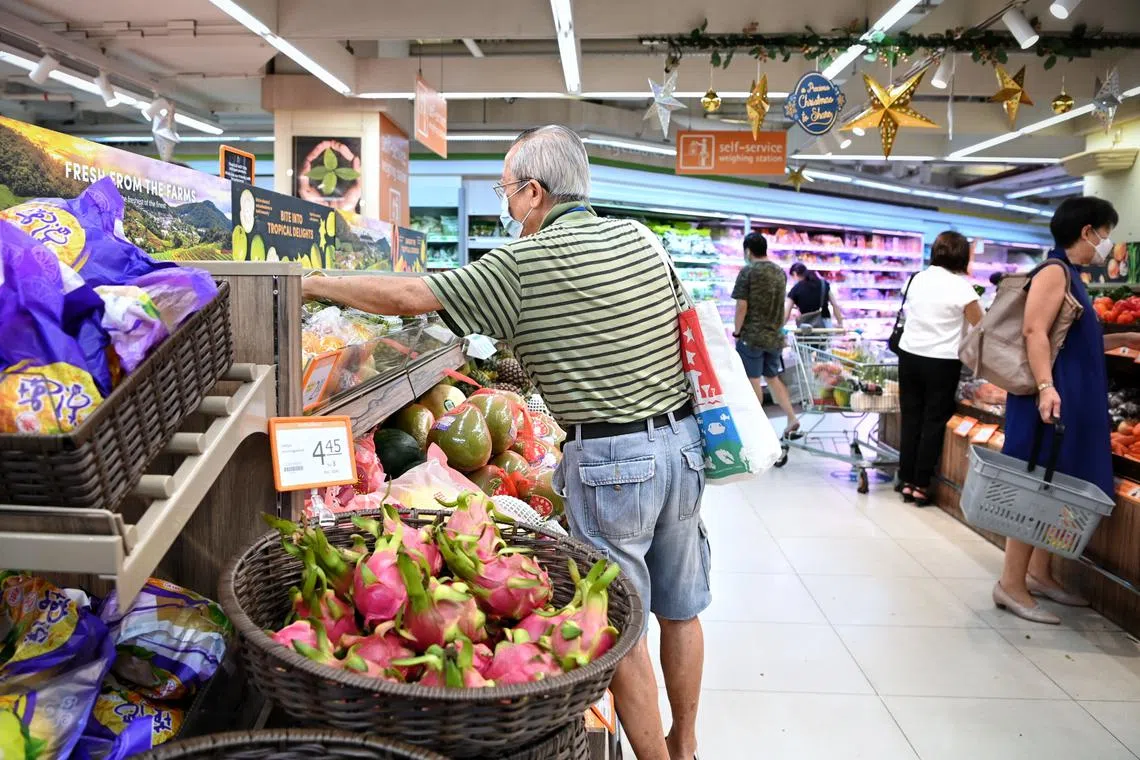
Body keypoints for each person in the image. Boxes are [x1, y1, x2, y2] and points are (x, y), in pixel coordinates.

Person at [301, 125, 707, 760]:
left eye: (505, 191)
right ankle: (684, 746)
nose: (505, 204)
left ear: (534, 193)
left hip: (612, 462)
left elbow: (413, 297)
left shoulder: (525, 262)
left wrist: (311, 282)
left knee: (618, 624)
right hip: (681, 445)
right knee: (681, 611)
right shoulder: (640, 238)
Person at [994, 197, 1140, 625]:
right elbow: (1034, 331)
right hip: (1052, 401)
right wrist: (1045, 388)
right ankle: (1009, 584)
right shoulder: (1055, 272)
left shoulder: (1071, 276)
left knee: (1057, 487)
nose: (1107, 243)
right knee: (1035, 485)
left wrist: (1122, 337)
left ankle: (1039, 573)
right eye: (1106, 232)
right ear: (1087, 231)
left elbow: (1074, 340)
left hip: (1070, 399)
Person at [895, 231, 983, 506]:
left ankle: (906, 479)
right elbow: (982, 325)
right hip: (941, 361)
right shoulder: (962, 288)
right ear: (961, 256)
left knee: (911, 419)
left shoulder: (916, 278)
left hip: (909, 355)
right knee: (933, 421)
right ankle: (921, 485)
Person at [732, 233, 801, 438]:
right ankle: (791, 418)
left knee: (752, 381)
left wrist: (737, 331)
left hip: (752, 336)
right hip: (774, 336)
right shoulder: (779, 272)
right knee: (772, 378)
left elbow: (741, 305)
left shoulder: (748, 272)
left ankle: (756, 428)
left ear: (747, 250)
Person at [787, 262, 844, 328]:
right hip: (825, 324)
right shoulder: (823, 284)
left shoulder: (796, 289)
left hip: (805, 327)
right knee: (826, 338)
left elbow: (787, 311)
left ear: (794, 274)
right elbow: (835, 305)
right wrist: (840, 324)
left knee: (808, 338)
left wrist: (779, 328)